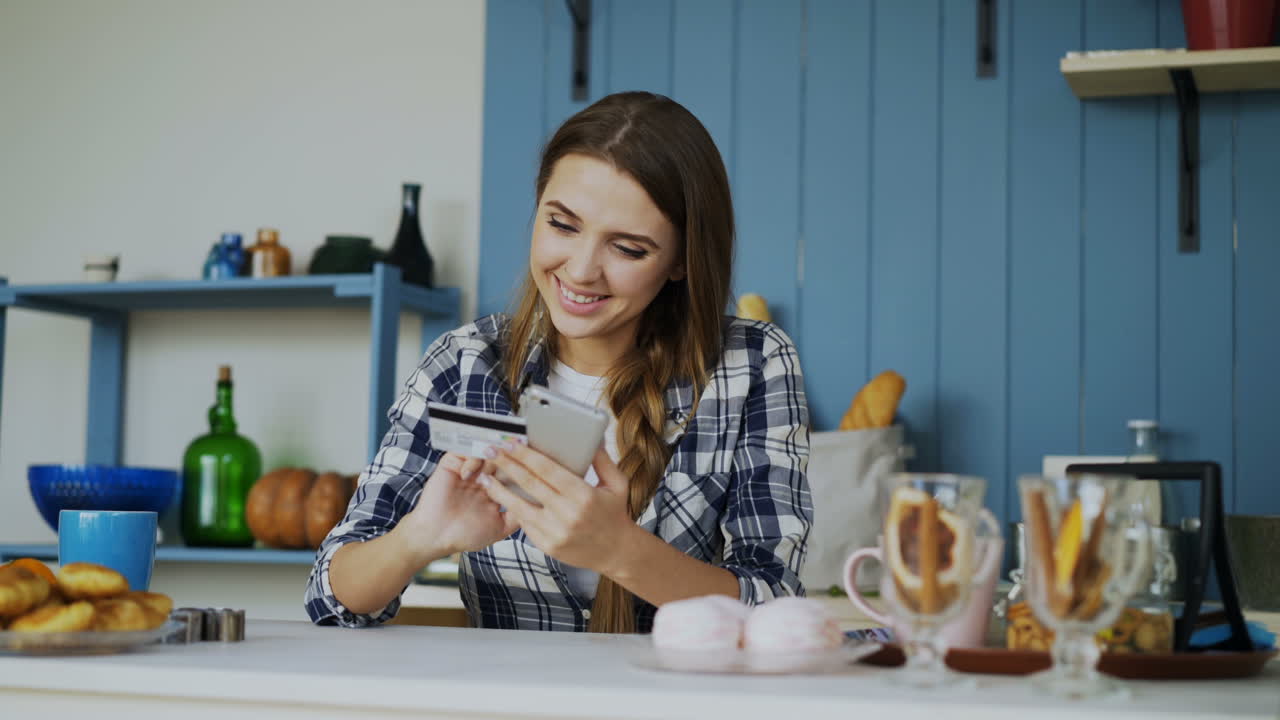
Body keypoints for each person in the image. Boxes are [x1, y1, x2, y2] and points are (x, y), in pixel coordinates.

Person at [304, 91, 811, 633]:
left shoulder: (752, 364)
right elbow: (330, 600)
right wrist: (419, 538)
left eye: (629, 249)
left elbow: (775, 604)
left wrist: (620, 550)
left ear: (682, 262)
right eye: (563, 225)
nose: (582, 270)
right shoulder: (465, 364)